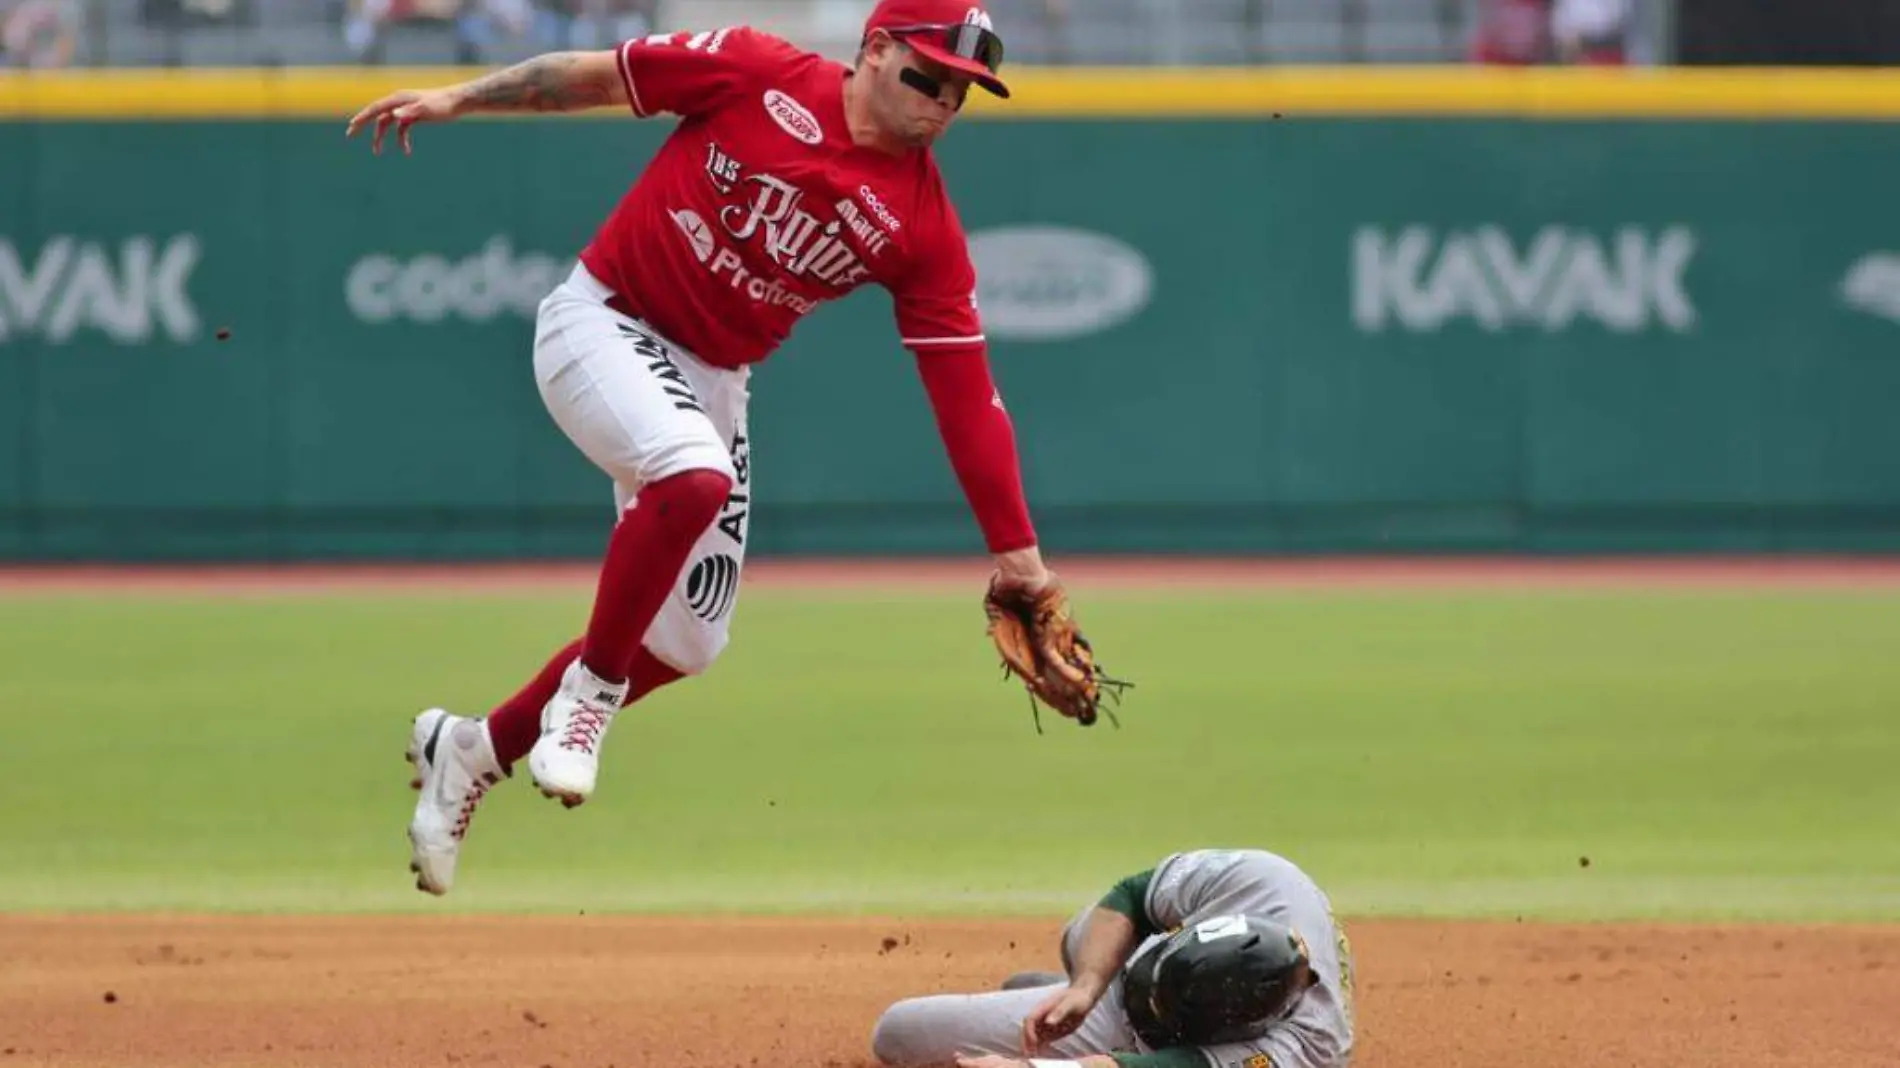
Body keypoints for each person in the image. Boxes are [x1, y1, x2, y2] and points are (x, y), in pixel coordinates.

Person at [346, 1, 1099, 896]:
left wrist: (1024, 565)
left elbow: (968, 397)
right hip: (602, 324)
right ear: (876, 49)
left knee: (689, 641)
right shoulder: (757, 72)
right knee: (693, 474)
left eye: (963, 93)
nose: (942, 104)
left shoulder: (922, 225)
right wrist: (457, 99)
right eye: (927, 77)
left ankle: (469, 750)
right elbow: (588, 77)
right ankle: (587, 704)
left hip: (711, 379)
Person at [870, 847, 1357, 1068]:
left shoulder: (1295, 1052)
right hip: (1118, 986)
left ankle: (1066, 1011)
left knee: (902, 1032)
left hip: (1171, 1057)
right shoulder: (1261, 879)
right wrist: (1087, 987)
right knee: (1083, 934)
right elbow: (1134, 893)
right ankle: (1069, 993)